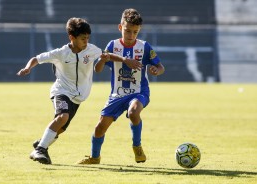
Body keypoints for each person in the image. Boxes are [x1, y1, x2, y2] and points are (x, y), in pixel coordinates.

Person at [17, 17, 142, 165]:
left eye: (88, 38)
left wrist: (125, 60)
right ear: (72, 37)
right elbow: (37, 58)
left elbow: (106, 55)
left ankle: (41, 143)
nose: (86, 42)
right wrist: (27, 67)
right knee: (62, 117)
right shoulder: (61, 53)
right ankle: (40, 149)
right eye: (83, 39)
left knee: (61, 128)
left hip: (77, 98)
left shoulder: (91, 49)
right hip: (61, 91)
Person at [77, 8, 165, 164]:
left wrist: (156, 70)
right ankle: (94, 157)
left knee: (133, 112)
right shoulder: (113, 45)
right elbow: (97, 69)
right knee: (100, 128)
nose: (131, 36)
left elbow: (160, 67)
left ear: (139, 31)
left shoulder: (145, 47)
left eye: (135, 32)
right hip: (117, 94)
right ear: (120, 27)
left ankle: (137, 147)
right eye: (128, 31)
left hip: (139, 92)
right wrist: (103, 60)